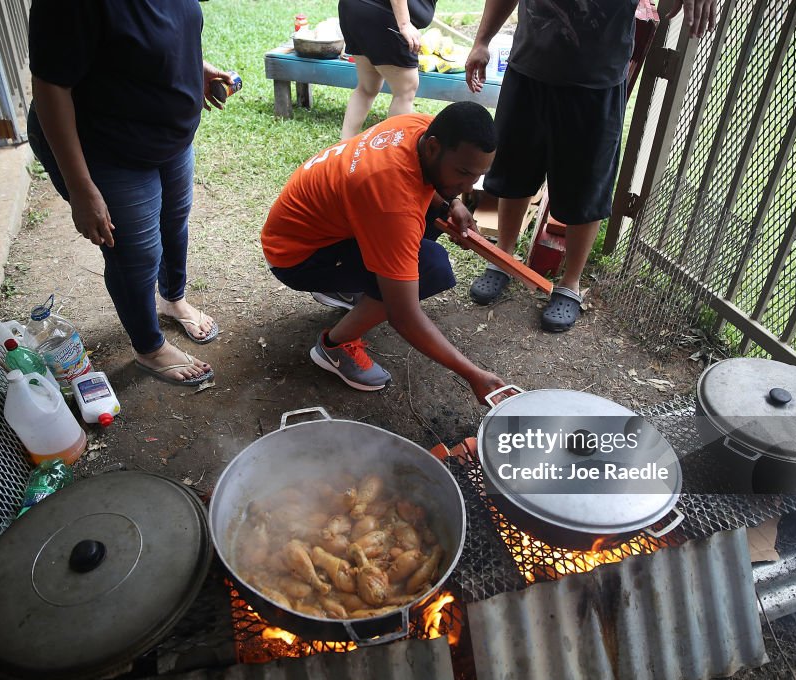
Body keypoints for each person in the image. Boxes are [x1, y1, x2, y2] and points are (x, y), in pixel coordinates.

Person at [464, 0, 717, 332]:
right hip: (529, 70)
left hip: (595, 85)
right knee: (514, 171)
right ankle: (504, 257)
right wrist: (482, 41)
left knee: (586, 187)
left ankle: (570, 284)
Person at [27, 0, 230, 386]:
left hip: (168, 137)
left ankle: (172, 300)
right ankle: (150, 348)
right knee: (136, 254)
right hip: (105, 148)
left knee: (173, 224)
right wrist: (81, 187)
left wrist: (191, 69)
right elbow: (52, 85)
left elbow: (168, 30)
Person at [261, 102, 507, 404]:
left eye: (477, 176)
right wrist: (472, 374)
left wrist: (450, 204)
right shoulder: (390, 203)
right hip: (297, 257)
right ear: (433, 148)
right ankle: (334, 346)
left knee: (428, 228)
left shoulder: (416, 127)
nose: (468, 186)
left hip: (322, 228)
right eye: (463, 173)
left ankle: (348, 289)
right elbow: (403, 316)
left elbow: (416, 181)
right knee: (431, 269)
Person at [338, 0, 438, 140]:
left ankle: (342, 149)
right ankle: (394, 150)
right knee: (405, 91)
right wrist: (404, 24)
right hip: (383, 15)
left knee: (367, 88)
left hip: (354, 9)